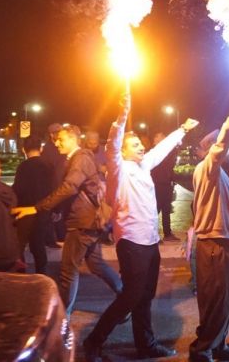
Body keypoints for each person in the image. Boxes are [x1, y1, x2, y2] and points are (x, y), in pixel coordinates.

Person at [83, 94, 197, 361]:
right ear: (122, 151)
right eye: (134, 144)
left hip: (150, 241)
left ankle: (145, 345)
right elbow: (112, 143)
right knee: (130, 296)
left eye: (140, 143)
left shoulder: (143, 166)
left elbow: (161, 150)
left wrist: (182, 129)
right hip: (132, 242)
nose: (141, 147)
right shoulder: (118, 169)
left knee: (145, 296)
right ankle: (94, 341)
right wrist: (123, 113)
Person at [13, 125, 122, 318]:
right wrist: (56, 210)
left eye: (61, 139)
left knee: (68, 272)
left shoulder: (80, 158)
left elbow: (70, 187)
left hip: (82, 222)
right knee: (97, 265)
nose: (56, 143)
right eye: (55, 140)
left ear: (73, 139)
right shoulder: (78, 158)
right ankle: (127, 298)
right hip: (89, 220)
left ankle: (62, 318)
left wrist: (37, 208)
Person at [189, 86, 229, 362]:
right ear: (209, 150)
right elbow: (222, 142)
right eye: (225, 150)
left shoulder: (220, 173)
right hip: (213, 243)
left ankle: (218, 344)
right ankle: (201, 350)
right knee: (215, 300)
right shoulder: (208, 168)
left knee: (226, 298)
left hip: (225, 241)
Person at [12, 135, 53, 274]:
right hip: (43, 209)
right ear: (41, 148)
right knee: (38, 244)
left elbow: (18, 188)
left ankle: (21, 273)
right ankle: (42, 273)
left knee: (20, 244)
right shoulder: (48, 165)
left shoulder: (23, 166)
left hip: (25, 210)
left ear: (24, 149)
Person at [41, 123, 68, 246]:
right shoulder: (48, 149)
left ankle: (60, 238)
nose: (58, 135)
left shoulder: (61, 147)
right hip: (55, 186)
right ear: (51, 134)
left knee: (61, 214)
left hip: (63, 184)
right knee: (55, 214)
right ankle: (54, 239)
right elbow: (52, 171)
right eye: (56, 132)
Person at [150, 131, 180, 242]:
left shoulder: (168, 151)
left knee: (166, 209)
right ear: (156, 140)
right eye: (161, 137)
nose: (164, 139)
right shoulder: (153, 152)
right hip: (157, 184)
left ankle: (167, 233)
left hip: (167, 183)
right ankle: (152, 234)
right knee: (155, 210)